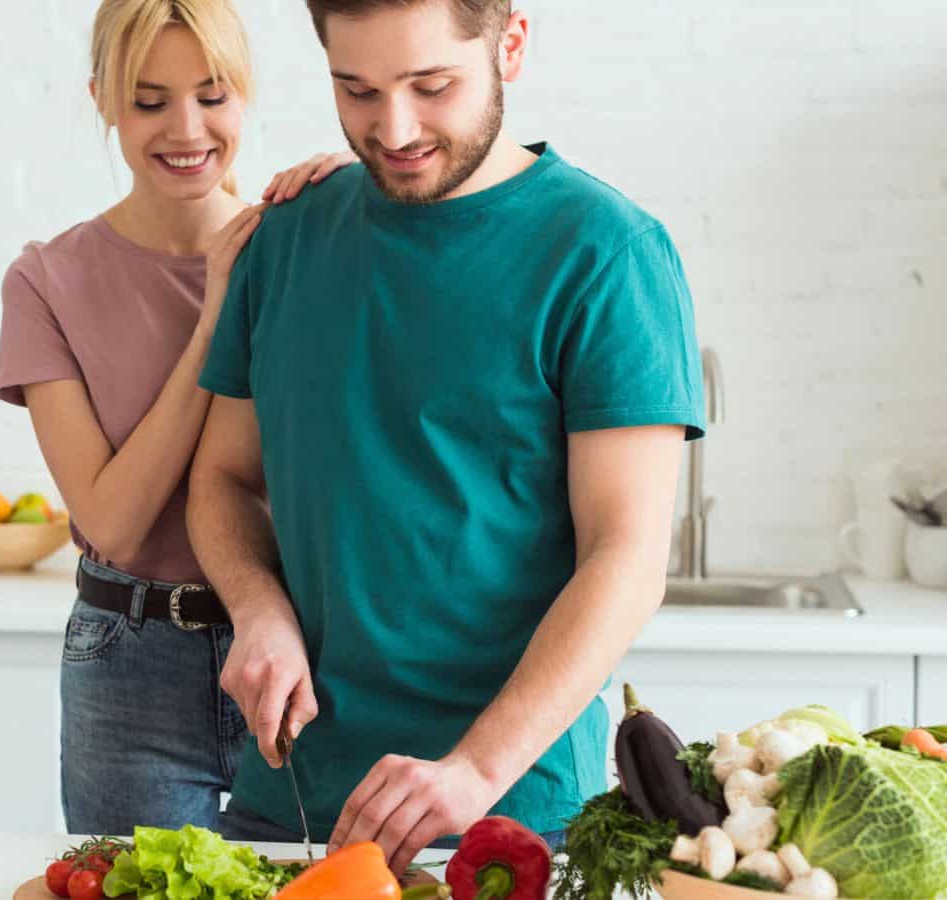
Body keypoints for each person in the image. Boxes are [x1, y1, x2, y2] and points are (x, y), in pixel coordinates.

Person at [188, 0, 706, 870]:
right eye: (357, 90)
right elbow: (224, 481)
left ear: (511, 42)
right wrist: (257, 609)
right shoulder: (288, 236)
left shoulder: (605, 253)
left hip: (511, 820)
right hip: (292, 806)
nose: (393, 128)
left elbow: (627, 558)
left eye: (432, 86)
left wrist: (475, 767)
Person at [0, 0, 352, 834]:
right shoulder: (48, 282)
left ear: (245, 94)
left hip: (303, 655)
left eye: (212, 94)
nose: (186, 128)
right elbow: (111, 519)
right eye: (149, 101)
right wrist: (218, 309)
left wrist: (368, 200)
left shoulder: (307, 246)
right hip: (130, 663)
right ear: (104, 100)